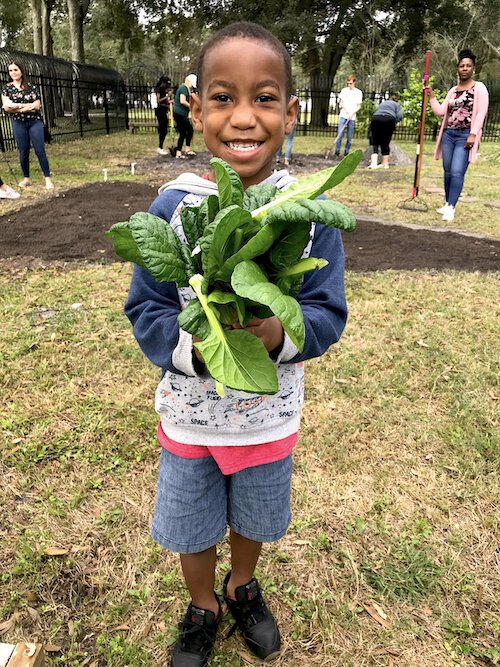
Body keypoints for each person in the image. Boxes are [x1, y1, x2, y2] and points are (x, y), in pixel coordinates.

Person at [124, 21, 348, 667]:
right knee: (191, 525)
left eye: (265, 97)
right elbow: (147, 309)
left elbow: (327, 313)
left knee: (253, 520)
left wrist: (278, 333)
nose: (243, 117)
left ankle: (241, 585)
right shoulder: (172, 205)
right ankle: (203, 604)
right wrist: (199, 347)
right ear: (195, 109)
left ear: (291, 112)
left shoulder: (305, 212)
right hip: (192, 420)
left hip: (266, 418)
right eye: (223, 97)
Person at [428, 48, 489, 222]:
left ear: (473, 69)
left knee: (457, 171)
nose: (464, 68)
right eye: (462, 65)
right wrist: (431, 96)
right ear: (457, 69)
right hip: (448, 135)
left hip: (465, 136)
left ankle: (452, 207)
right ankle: (448, 203)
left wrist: (473, 134)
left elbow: (480, 113)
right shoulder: (453, 90)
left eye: (468, 65)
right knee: (447, 171)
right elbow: (441, 111)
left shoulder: (479, 88)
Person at [1, 62, 54, 190]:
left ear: (21, 71)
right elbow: (7, 108)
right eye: (11, 70)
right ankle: (26, 178)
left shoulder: (31, 87)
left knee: (39, 150)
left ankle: (47, 179)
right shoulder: (6, 88)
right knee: (23, 151)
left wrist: (17, 105)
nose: (13, 72)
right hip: (19, 123)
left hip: (34, 122)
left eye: (16, 70)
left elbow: (36, 105)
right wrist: (24, 107)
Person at [368, 94, 404, 169]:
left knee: (375, 140)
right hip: (389, 119)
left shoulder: (383, 103)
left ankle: (374, 163)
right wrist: (395, 121)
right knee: (385, 141)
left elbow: (377, 110)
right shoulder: (397, 105)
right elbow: (400, 116)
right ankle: (385, 163)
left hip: (376, 118)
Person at [334, 74, 363, 158]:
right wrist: (346, 110)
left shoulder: (358, 92)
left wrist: (352, 113)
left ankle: (346, 153)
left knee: (349, 138)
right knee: (340, 134)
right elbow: (341, 103)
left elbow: (359, 106)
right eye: (348, 83)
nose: (349, 85)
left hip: (352, 117)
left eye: (350, 83)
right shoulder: (344, 91)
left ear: (354, 83)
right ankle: (337, 152)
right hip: (343, 115)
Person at [173, 73, 197, 159]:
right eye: (192, 85)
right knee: (188, 130)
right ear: (189, 81)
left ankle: (181, 151)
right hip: (179, 114)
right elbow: (182, 101)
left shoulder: (187, 89)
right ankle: (181, 151)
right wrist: (191, 107)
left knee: (185, 132)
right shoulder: (183, 88)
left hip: (182, 114)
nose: (192, 87)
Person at [154, 75, 172, 156]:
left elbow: (165, 100)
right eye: (166, 84)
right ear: (163, 83)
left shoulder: (164, 90)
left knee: (165, 129)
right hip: (160, 111)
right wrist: (167, 96)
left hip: (164, 110)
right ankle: (160, 147)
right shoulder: (159, 89)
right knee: (163, 130)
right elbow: (158, 100)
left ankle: (160, 146)